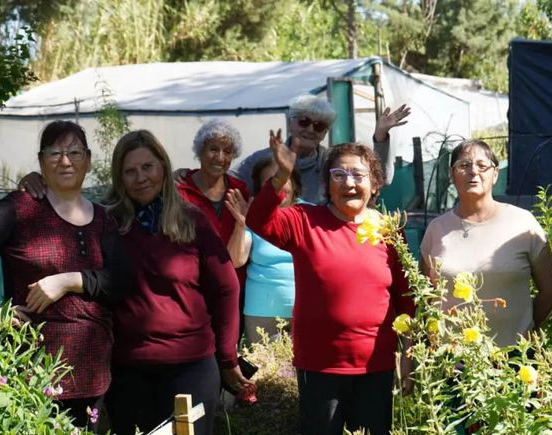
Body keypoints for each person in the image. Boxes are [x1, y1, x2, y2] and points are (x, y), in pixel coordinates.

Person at [0, 120, 130, 431]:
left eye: (74, 152)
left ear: (87, 160)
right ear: (41, 160)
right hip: (34, 378)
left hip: (95, 375)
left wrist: (69, 280)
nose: (65, 160)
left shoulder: (103, 219)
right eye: (55, 153)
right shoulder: (22, 209)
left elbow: (120, 283)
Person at [246, 131, 415, 435]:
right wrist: (280, 178)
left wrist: (410, 353)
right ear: (327, 184)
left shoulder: (389, 230)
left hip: (375, 365)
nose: (349, 183)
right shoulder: (303, 220)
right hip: (320, 365)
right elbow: (258, 221)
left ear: (374, 183)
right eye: (339, 174)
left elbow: (405, 298)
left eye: (358, 174)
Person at [102, 130, 250, 435]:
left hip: (191, 367)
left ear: (162, 167)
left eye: (147, 167)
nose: (140, 177)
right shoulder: (105, 223)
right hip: (129, 370)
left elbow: (226, 287)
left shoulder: (192, 220)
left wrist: (227, 355)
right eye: (129, 171)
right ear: (119, 177)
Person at [420, 139, 552, 347]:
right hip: (453, 363)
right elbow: (424, 296)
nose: (473, 171)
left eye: (482, 165)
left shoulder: (523, 223)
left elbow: (551, 289)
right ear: (451, 174)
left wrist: (525, 330)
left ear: (495, 174)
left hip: (512, 361)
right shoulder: (437, 229)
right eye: (464, 165)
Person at [232, 94, 411, 203]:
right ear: (290, 123)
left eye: (318, 126)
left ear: (325, 133)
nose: (310, 129)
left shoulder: (331, 160)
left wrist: (380, 136)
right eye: (304, 122)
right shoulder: (263, 160)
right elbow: (228, 183)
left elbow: (381, 178)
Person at [238, 158, 304, 344]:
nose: (279, 186)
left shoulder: (311, 214)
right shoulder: (253, 217)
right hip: (261, 313)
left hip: (305, 312)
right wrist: (241, 223)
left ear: (295, 183)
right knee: (265, 372)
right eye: (271, 182)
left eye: (283, 178)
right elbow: (237, 259)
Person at [176, 119, 250, 265]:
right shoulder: (181, 190)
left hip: (234, 281)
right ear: (200, 151)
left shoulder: (239, 190)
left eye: (227, 151)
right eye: (214, 149)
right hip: (196, 280)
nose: (220, 158)